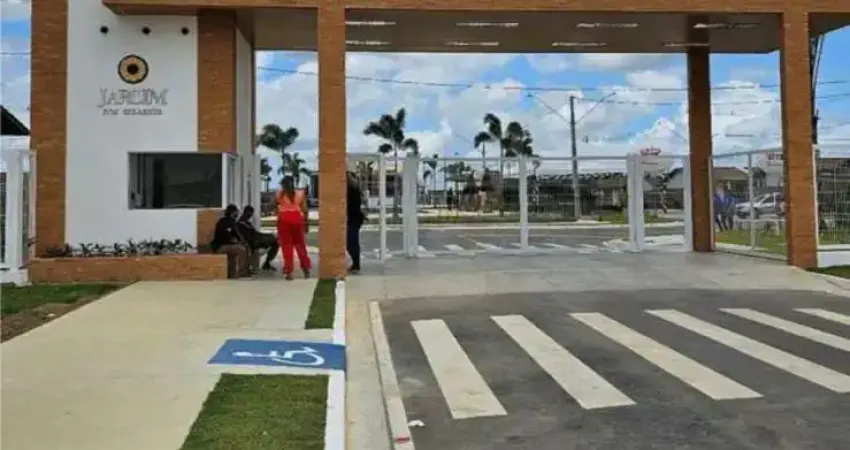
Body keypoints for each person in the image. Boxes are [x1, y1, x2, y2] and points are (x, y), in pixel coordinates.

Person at [276, 175, 312, 280]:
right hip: (297, 219)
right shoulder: (300, 194)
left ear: (283, 184)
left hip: (283, 220)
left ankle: (289, 271)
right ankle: (306, 269)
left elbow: (273, 205)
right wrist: (306, 223)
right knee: (300, 245)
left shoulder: (280, 194)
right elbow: (305, 210)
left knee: (286, 246)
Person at [210, 204, 250, 278]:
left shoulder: (231, 222)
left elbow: (236, 236)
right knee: (241, 249)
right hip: (221, 247)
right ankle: (242, 271)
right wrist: (236, 242)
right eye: (236, 212)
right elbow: (227, 237)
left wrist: (239, 241)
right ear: (232, 213)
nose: (237, 214)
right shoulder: (225, 222)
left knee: (242, 248)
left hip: (227, 246)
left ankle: (234, 274)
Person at [237, 205, 279, 271]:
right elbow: (249, 238)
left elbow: (256, 233)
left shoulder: (247, 223)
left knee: (275, 241)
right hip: (253, 243)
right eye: (250, 214)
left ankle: (267, 263)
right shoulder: (240, 224)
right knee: (275, 242)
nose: (250, 216)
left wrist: (269, 235)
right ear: (246, 212)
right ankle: (266, 263)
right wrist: (264, 238)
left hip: (256, 240)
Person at [347, 171, 366, 274]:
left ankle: (356, 264)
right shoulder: (354, 189)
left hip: (353, 219)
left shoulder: (352, 190)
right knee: (352, 242)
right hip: (354, 218)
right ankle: (356, 264)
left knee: (351, 242)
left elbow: (351, 206)